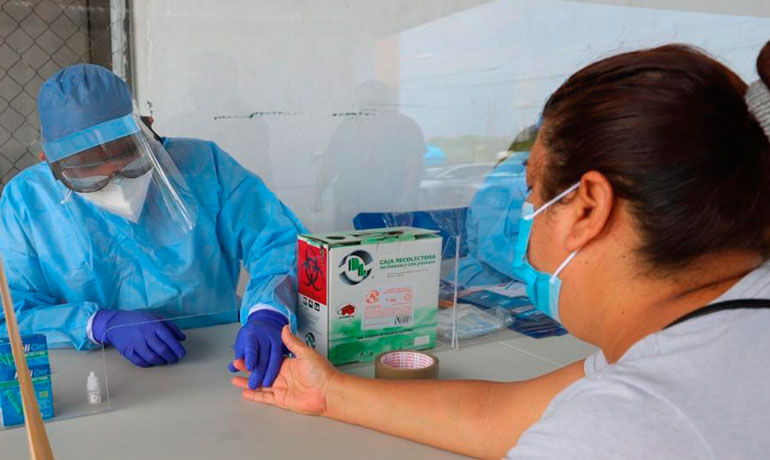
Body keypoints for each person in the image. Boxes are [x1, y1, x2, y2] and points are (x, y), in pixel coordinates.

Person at [231, 42, 770, 459]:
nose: (525, 213)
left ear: (587, 209)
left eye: (532, 191)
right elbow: (500, 414)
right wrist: (331, 392)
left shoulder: (626, 425)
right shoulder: (714, 322)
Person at [0, 64, 305, 390]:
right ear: (49, 161)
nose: (116, 182)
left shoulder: (204, 166)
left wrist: (268, 312)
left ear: (147, 128)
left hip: (220, 352)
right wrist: (97, 324)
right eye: (91, 171)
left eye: (128, 158)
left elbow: (279, 242)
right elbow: (12, 310)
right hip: (94, 374)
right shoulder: (27, 201)